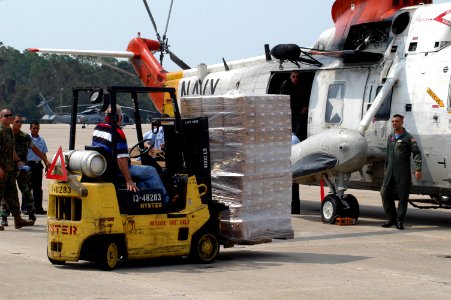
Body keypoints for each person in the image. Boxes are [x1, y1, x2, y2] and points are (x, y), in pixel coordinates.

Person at [92, 105, 169, 203]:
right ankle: (166, 200)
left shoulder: (98, 128)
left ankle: (145, 196)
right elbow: (121, 159)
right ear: (119, 117)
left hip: (106, 167)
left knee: (143, 177)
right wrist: (129, 180)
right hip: (117, 169)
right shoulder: (117, 133)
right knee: (151, 171)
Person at [380, 114, 422, 230]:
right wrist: (386, 169)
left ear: (402, 122)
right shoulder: (390, 137)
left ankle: (399, 221)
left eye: (397, 121)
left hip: (402, 171)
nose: (394, 123)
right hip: (390, 171)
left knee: (403, 197)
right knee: (384, 193)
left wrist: (418, 169)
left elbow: (417, 153)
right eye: (393, 121)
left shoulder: (408, 138)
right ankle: (391, 218)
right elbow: (388, 155)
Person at [0, 109, 35, 229]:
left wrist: (18, 161)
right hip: (1, 170)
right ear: (1, 118)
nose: (9, 117)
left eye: (10, 115)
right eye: (6, 116)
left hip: (9, 169)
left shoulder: (9, 130)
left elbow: (12, 149)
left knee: (12, 195)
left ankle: (18, 220)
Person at [27, 120, 50, 215]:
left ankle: (38, 208)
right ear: (30, 128)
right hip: (28, 165)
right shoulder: (27, 138)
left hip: (38, 165)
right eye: (34, 128)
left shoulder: (42, 140)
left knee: (38, 188)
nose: (36, 130)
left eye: (37, 128)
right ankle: (26, 208)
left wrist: (46, 164)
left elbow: (44, 153)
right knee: (27, 187)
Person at [280, 70, 309, 141]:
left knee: (299, 128)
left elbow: (305, 96)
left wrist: (304, 108)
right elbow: (282, 97)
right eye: (293, 77)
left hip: (299, 110)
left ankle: (297, 140)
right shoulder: (286, 84)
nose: (295, 78)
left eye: (297, 77)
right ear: (290, 77)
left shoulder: (301, 85)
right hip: (289, 110)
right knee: (289, 126)